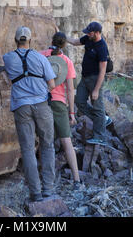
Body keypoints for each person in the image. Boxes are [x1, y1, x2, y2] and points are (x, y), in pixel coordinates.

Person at [3, 26, 56, 202]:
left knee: (27, 149)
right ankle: (48, 188)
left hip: (21, 106)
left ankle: (36, 193)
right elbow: (52, 84)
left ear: (15, 40)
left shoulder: (8, 58)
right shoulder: (40, 58)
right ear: (30, 40)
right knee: (47, 145)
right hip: (41, 105)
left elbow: (5, 71)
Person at [40, 32, 81, 190]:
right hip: (58, 103)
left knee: (45, 141)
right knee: (66, 141)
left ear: (52, 40)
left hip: (42, 101)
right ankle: (76, 180)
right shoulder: (66, 61)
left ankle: (44, 179)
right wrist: (72, 113)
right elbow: (70, 90)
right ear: (64, 45)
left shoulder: (41, 55)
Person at [66, 21, 112, 146]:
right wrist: (63, 37)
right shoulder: (88, 39)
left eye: (90, 32)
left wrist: (96, 90)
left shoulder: (102, 47)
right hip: (85, 78)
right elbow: (75, 42)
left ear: (97, 33)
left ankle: (100, 137)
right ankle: (103, 120)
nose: (87, 34)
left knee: (97, 106)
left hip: (95, 79)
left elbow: (103, 70)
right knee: (79, 101)